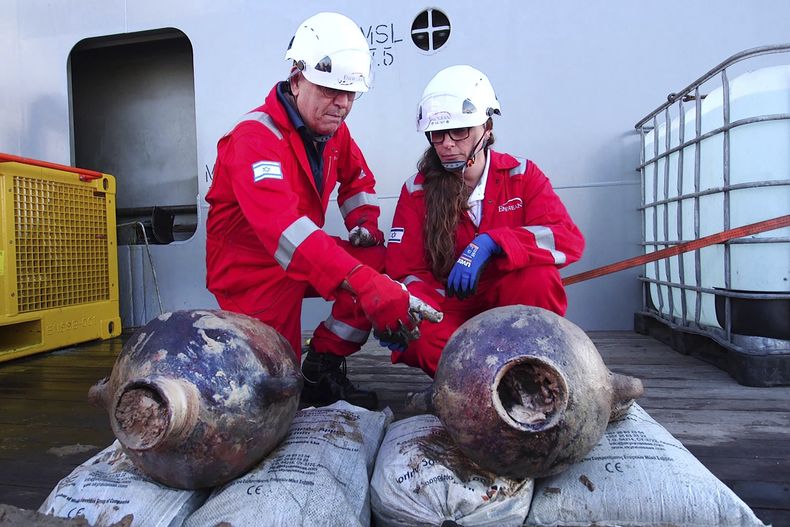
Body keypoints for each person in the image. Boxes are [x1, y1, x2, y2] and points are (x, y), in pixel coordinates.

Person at [205, 12, 413, 410]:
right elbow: (285, 231)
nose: (343, 104)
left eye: (351, 94)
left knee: (378, 262)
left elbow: (358, 180)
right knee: (276, 385)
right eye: (332, 90)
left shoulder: (332, 130)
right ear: (297, 79)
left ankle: (322, 365)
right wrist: (362, 282)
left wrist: (364, 225)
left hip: (304, 255)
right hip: (252, 273)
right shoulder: (253, 140)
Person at [384, 65, 586, 377]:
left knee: (539, 277)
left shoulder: (521, 175)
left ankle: (523, 368)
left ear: (487, 128)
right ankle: (498, 381)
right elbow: (405, 270)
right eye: (438, 134)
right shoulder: (417, 190)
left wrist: (494, 242)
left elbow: (567, 239)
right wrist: (417, 309)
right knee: (419, 336)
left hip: (509, 301)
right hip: (450, 306)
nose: (447, 143)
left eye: (460, 131)